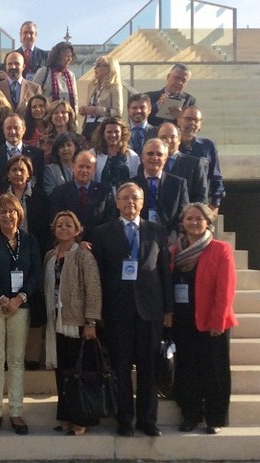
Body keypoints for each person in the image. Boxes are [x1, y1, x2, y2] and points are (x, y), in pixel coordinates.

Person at [91, 182, 173, 437]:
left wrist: (168, 309)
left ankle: (147, 420)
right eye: (124, 198)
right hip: (117, 312)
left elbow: (164, 274)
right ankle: (125, 419)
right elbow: (99, 276)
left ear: (142, 201)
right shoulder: (102, 233)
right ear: (116, 202)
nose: (130, 203)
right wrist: (99, 312)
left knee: (148, 369)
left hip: (150, 311)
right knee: (121, 368)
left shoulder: (156, 231)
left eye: (135, 198)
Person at [171, 203, 237, 435]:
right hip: (183, 318)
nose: (194, 223)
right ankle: (191, 414)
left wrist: (218, 320)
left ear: (208, 223)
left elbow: (225, 288)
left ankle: (215, 418)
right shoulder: (175, 250)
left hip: (212, 320)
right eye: (190, 219)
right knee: (187, 369)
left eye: (199, 219)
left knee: (215, 371)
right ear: (183, 222)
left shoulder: (220, 249)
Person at [0, 193, 42, 436]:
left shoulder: (30, 240)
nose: (7, 215)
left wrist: (19, 298)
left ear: (19, 213)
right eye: (2, 212)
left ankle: (16, 411)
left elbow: (36, 273)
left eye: (11, 211)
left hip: (21, 306)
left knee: (16, 360)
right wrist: (2, 298)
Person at [43, 211, 102, 436]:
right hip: (55, 321)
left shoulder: (84, 256)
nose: (64, 228)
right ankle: (66, 415)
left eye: (69, 225)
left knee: (80, 371)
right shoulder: (50, 255)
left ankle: (82, 418)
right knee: (63, 371)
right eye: (59, 225)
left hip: (77, 323)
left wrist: (91, 321)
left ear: (77, 230)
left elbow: (93, 290)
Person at [50, 151, 117, 241]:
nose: (84, 170)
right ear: (73, 167)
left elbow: (109, 222)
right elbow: (56, 221)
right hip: (68, 245)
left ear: (94, 170)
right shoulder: (59, 192)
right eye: (81, 166)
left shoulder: (105, 192)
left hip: (97, 245)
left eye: (88, 167)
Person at [133, 139, 189, 236]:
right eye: (150, 154)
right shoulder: (131, 184)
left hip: (169, 240)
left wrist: (174, 240)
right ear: (142, 157)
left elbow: (183, 216)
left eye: (159, 154)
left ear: (166, 159)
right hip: (138, 237)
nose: (155, 158)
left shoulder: (178, 184)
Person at [177, 106, 225, 213]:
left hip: (201, 207)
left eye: (196, 120)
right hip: (176, 206)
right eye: (188, 119)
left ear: (200, 124)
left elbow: (216, 177)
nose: (192, 123)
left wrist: (215, 205)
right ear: (179, 120)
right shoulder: (171, 147)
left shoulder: (208, 146)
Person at [0, 114, 45, 193]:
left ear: (24, 129)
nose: (12, 131)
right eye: (9, 128)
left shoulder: (36, 154)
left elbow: (39, 183)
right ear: (3, 130)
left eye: (16, 128)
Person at [3, 155, 51, 256]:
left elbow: (45, 226)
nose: (18, 173)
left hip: (35, 248)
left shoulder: (40, 196)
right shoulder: (2, 198)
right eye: (14, 170)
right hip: (7, 247)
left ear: (28, 174)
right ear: (8, 174)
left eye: (22, 170)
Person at [158, 122, 209, 204]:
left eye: (172, 137)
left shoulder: (194, 164)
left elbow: (201, 196)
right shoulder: (151, 163)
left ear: (179, 140)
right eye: (163, 137)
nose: (168, 141)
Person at [90, 117, 140, 193]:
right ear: (103, 134)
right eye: (109, 132)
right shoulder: (93, 154)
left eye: (116, 132)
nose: (113, 135)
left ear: (122, 133)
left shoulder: (132, 156)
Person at [79, 55, 122, 141]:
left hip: (103, 129)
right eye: (95, 65)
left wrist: (96, 110)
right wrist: (84, 110)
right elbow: (90, 106)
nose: (95, 68)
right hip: (88, 127)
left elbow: (117, 112)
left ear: (109, 68)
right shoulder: (92, 85)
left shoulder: (115, 87)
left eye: (98, 65)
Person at [33, 42, 80, 110]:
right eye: (67, 56)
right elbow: (33, 95)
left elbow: (75, 100)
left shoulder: (71, 75)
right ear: (58, 56)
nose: (70, 59)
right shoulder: (43, 72)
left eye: (71, 56)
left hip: (67, 118)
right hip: (47, 117)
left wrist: (74, 118)